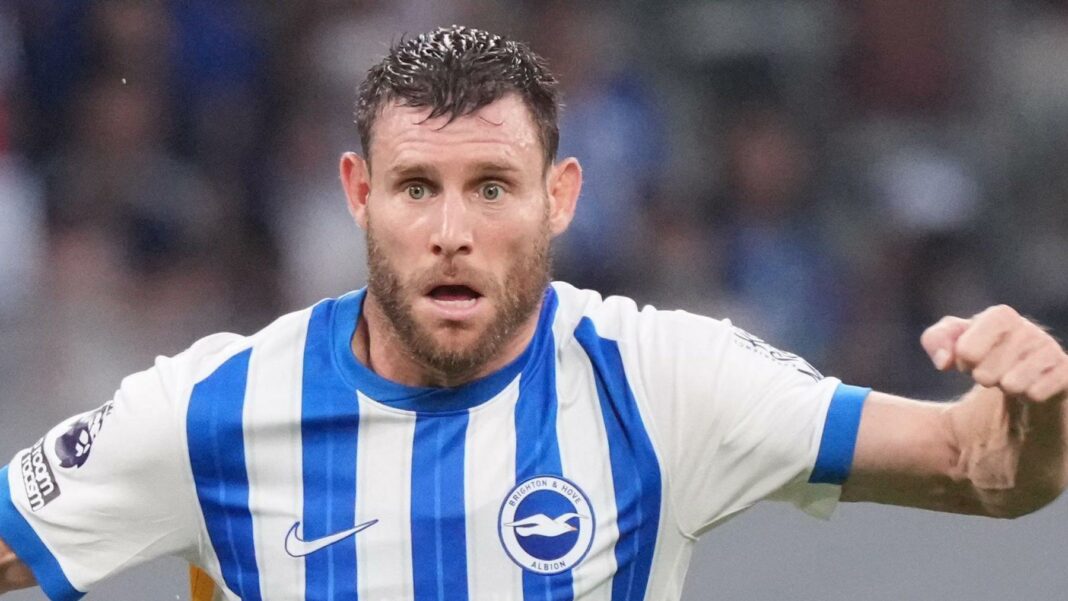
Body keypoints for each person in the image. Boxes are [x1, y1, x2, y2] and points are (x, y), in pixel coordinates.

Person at [1, 25, 1066, 601]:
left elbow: (978, 470)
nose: (451, 231)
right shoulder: (213, 410)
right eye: (416, 187)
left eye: (492, 188)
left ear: (559, 198)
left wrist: (1033, 405)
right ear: (358, 195)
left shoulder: (662, 381)